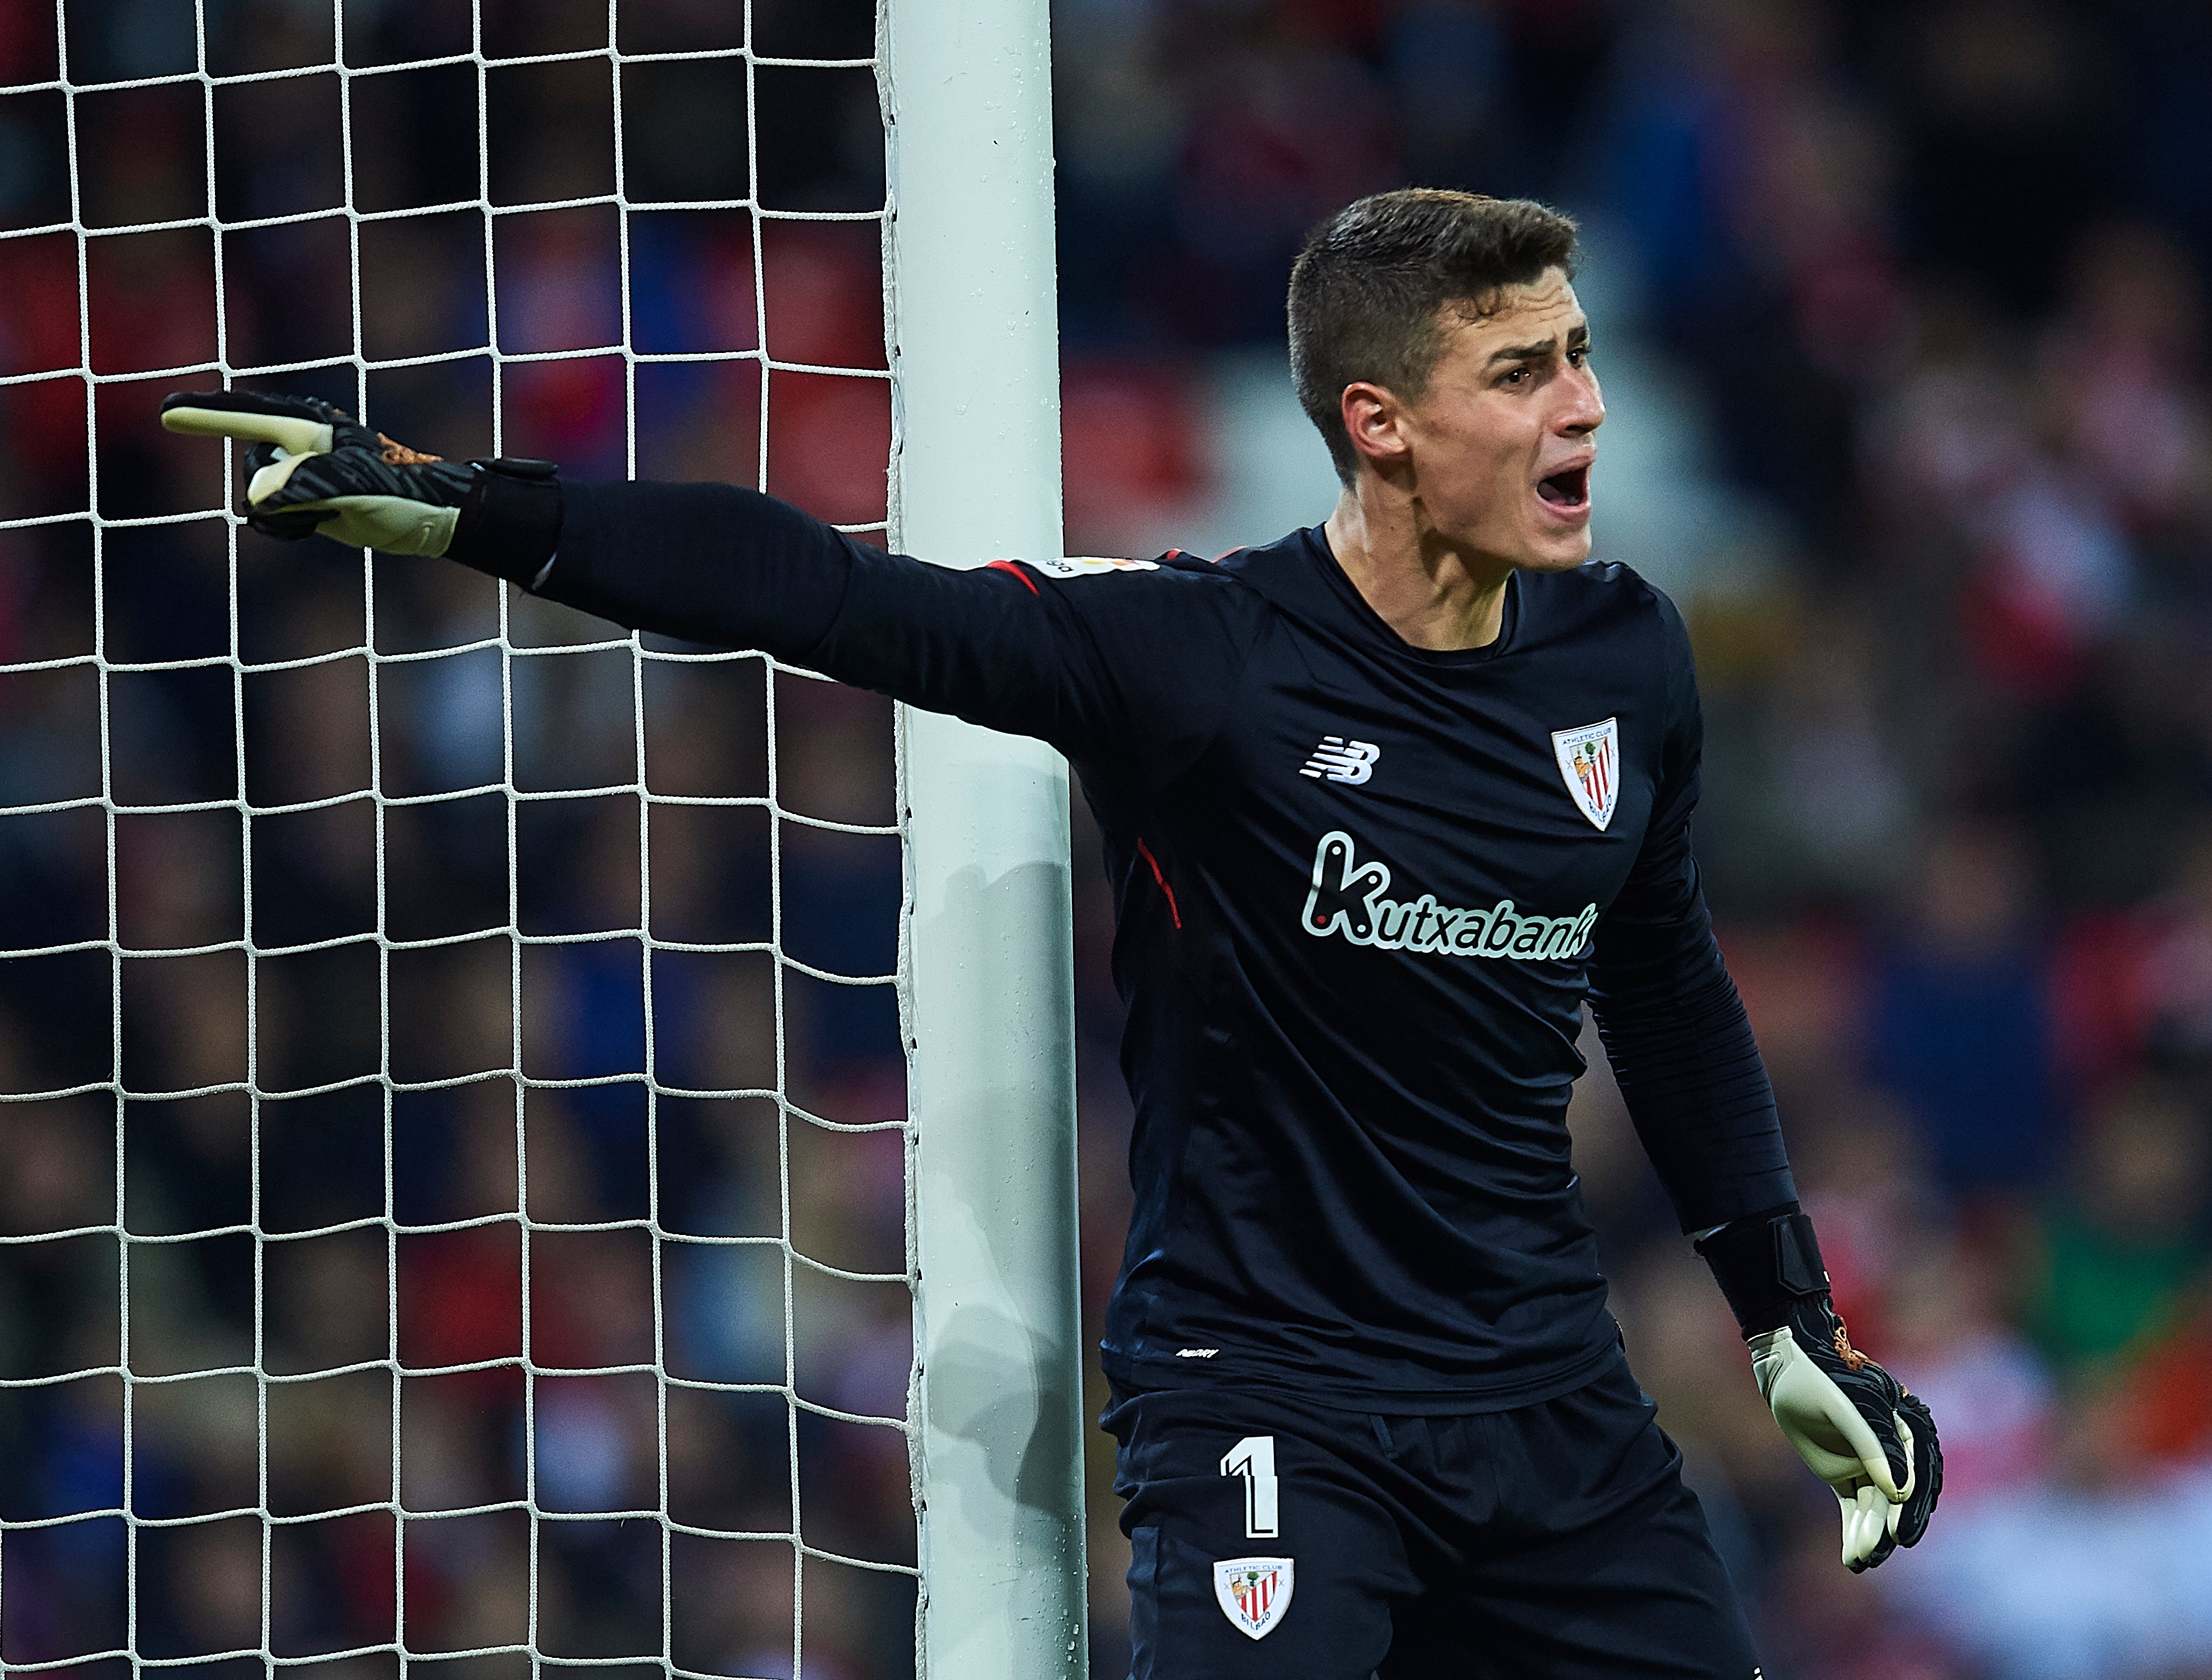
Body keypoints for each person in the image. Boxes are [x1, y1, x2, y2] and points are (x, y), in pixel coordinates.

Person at [161, 189, 1938, 1679]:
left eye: (1578, 356)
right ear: (1380, 422)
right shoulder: (1203, 660)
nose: (1584, 408)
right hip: (1273, 1401)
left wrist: (1788, 1318)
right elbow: (839, 596)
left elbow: (1664, 982)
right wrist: (482, 507)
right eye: (1520, 370)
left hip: (1544, 1392)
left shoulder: (1623, 657)